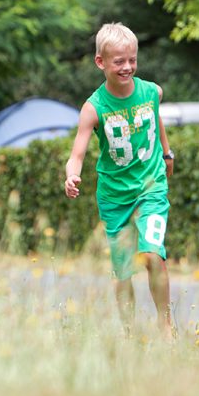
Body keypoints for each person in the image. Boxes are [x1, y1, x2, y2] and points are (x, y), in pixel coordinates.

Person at [64, 22, 174, 340]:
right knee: (123, 272)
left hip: (151, 186)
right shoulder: (93, 108)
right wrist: (72, 175)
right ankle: (129, 333)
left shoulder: (152, 92)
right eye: (119, 61)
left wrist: (167, 154)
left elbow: (157, 119)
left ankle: (166, 327)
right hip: (114, 198)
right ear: (101, 62)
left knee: (153, 254)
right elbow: (77, 154)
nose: (127, 67)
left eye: (132, 60)